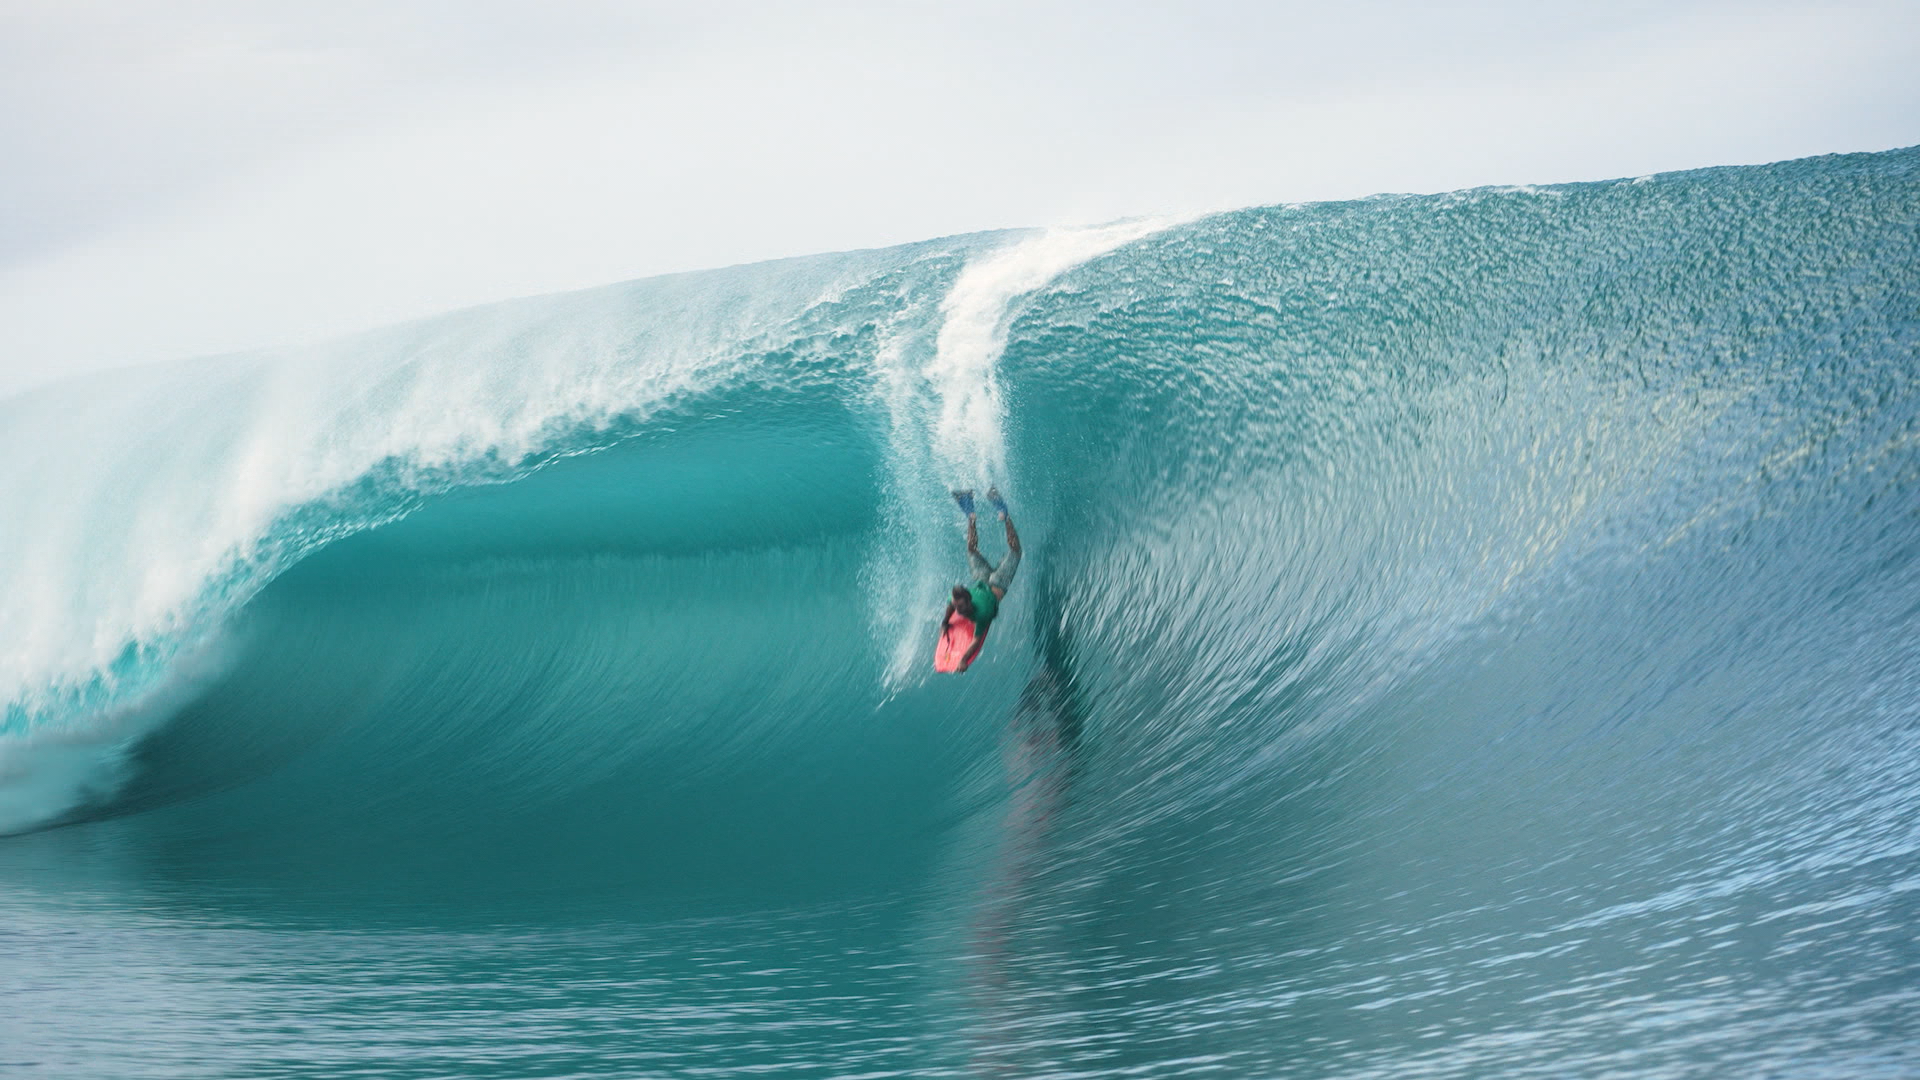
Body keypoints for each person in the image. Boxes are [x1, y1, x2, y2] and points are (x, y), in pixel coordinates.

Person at [940, 487, 1021, 672]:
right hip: (981, 579)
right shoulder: (958, 601)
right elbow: (950, 603)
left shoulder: (982, 613)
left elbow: (976, 639)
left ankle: (1005, 515)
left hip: (997, 584)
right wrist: (945, 621)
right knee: (971, 550)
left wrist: (964, 659)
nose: (958, 611)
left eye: (960, 607)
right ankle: (970, 514)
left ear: (968, 600)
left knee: (1016, 551)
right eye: (957, 607)